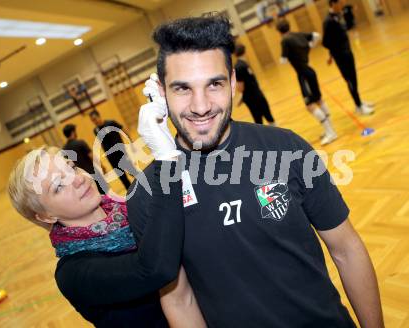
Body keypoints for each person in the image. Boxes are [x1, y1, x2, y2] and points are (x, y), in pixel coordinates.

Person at [130, 14, 384, 328]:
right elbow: (180, 299)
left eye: (215, 84)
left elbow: (346, 248)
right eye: (182, 89)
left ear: (233, 82)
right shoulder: (147, 195)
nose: (200, 106)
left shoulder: (286, 148)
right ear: (159, 93)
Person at [7, 144, 205, 327]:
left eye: (71, 168)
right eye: (59, 186)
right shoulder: (74, 274)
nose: (77, 179)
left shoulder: (133, 209)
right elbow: (154, 269)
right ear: (46, 215)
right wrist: (166, 163)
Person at [276, 19, 337, 145]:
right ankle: (330, 130)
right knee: (319, 100)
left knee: (310, 105)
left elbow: (283, 60)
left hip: (303, 74)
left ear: (279, 31)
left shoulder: (285, 40)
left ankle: (330, 132)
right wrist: (309, 46)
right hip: (309, 70)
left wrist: (289, 57)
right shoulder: (298, 35)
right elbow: (316, 35)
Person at [323, 0, 374, 115]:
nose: (342, 5)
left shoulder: (338, 16)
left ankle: (359, 102)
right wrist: (334, 53)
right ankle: (358, 107)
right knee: (350, 80)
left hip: (347, 52)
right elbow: (326, 42)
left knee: (354, 79)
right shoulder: (328, 21)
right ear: (333, 4)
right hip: (341, 55)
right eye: (339, 3)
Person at [89, 110, 137, 191]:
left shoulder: (111, 123)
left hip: (121, 153)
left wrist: (131, 142)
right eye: (92, 120)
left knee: (132, 171)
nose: (94, 121)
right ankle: (131, 195)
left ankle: (143, 185)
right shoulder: (95, 130)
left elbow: (123, 130)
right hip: (111, 157)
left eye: (95, 118)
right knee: (122, 178)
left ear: (99, 116)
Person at [234, 44, 276, 126]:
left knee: (258, 120)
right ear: (245, 51)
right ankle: (276, 135)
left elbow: (241, 88)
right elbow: (242, 86)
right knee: (267, 116)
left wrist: (242, 96)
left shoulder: (240, 65)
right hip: (255, 96)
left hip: (252, 97)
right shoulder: (242, 65)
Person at [62, 123, 108, 194]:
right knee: (106, 194)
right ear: (73, 132)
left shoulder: (64, 150)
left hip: (83, 178)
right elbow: (92, 157)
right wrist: (102, 167)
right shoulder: (80, 143)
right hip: (94, 173)